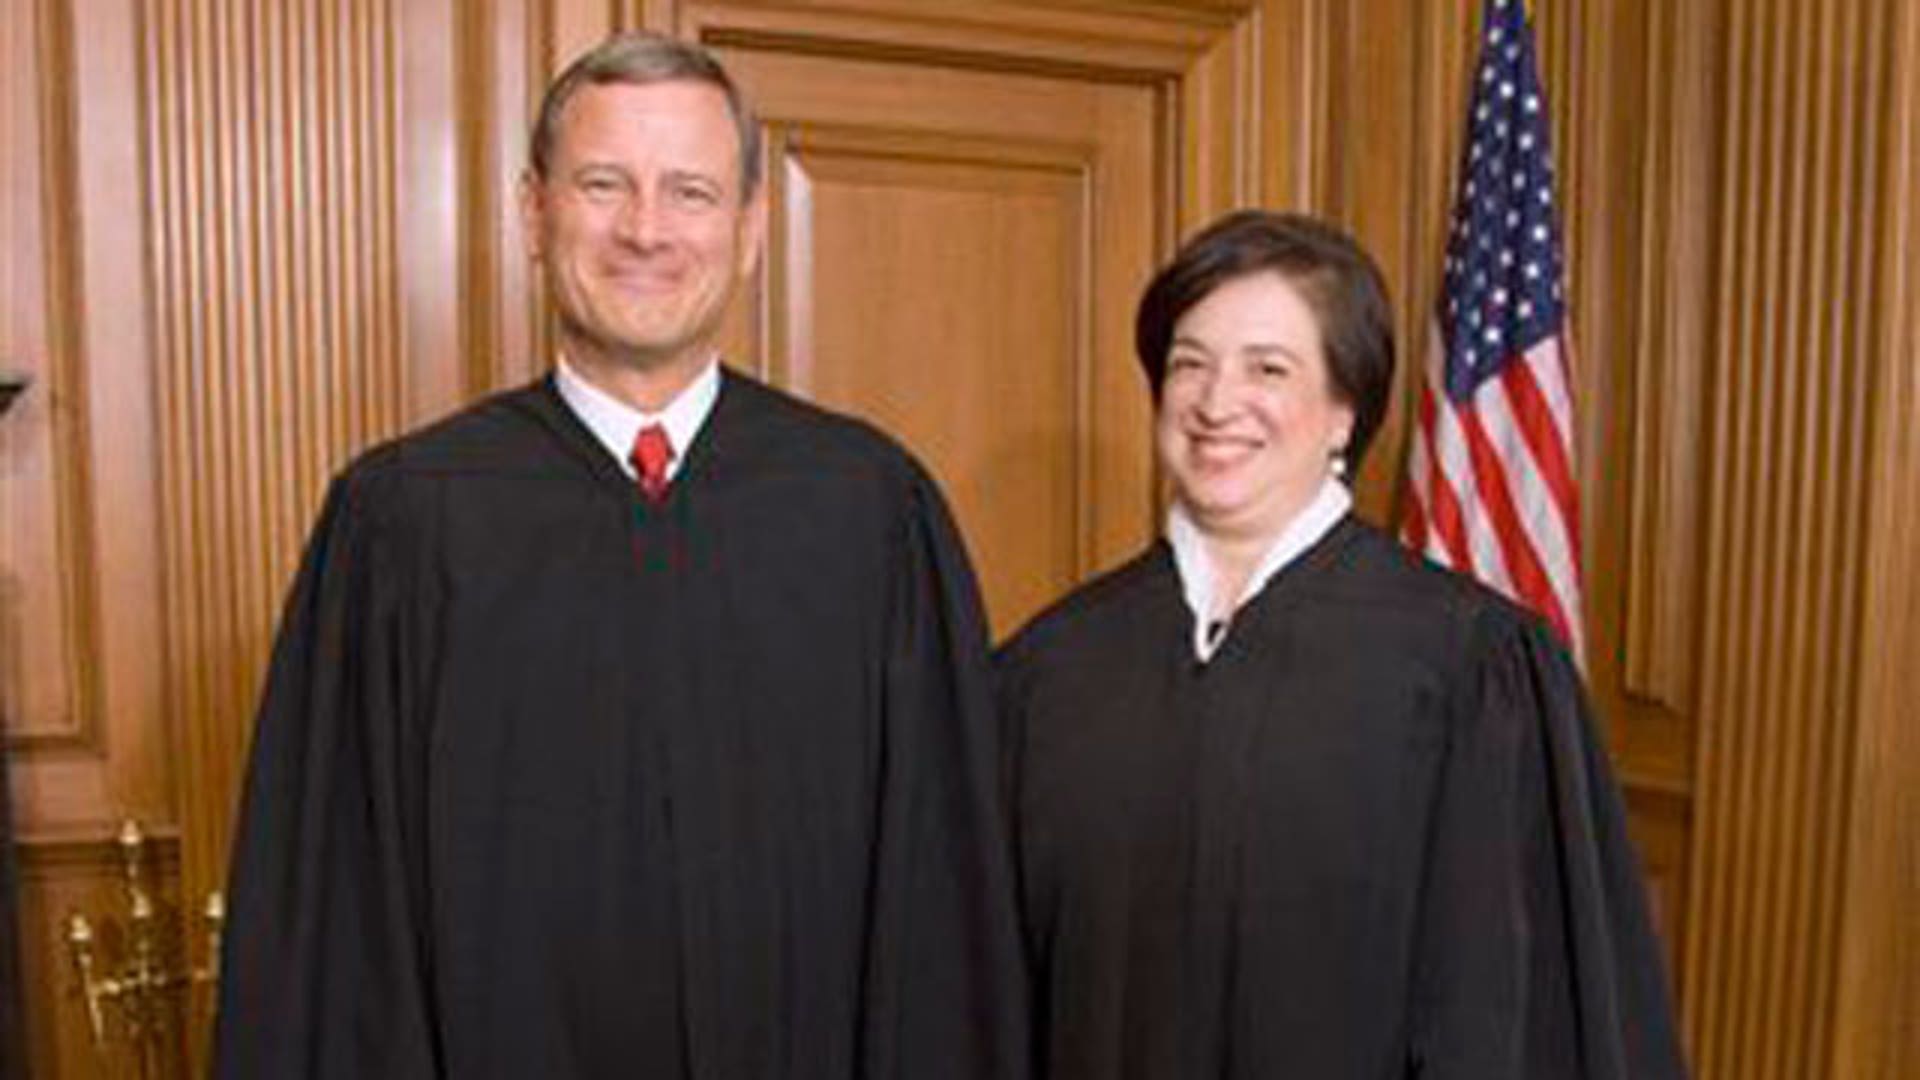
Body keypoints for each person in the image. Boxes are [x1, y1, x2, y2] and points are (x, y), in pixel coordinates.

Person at [213, 32, 1026, 1079]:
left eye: (690, 192)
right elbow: (334, 933)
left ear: (749, 231)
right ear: (533, 214)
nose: (647, 229)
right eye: (605, 184)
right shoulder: (404, 524)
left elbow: (939, 914)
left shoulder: (870, 511)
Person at [995, 211, 1686, 1078]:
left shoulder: (1471, 669)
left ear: (1343, 410)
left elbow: (1506, 1012)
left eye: (1268, 369)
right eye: (1189, 364)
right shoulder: (1052, 668)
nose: (1216, 403)